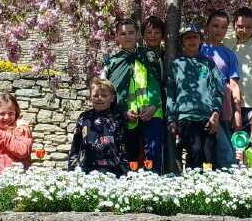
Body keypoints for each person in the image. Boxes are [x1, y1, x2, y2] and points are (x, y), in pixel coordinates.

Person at [103, 18, 164, 172]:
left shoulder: (150, 56)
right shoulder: (112, 63)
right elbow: (109, 92)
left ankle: (154, 184)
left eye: (131, 33)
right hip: (126, 117)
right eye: (123, 34)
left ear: (138, 35)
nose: (128, 36)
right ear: (117, 37)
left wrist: (153, 106)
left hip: (152, 112)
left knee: (153, 155)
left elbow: (159, 84)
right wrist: (123, 112)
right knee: (129, 157)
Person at [167, 25, 224, 171]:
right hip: (185, 118)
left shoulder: (208, 64)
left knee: (209, 156)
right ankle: (193, 183)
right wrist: (171, 119)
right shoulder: (176, 65)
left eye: (195, 37)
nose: (191, 40)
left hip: (207, 118)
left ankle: (209, 182)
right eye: (187, 37)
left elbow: (218, 89)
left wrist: (215, 113)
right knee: (195, 152)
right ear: (182, 42)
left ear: (200, 40)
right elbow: (171, 94)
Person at [201, 10, 242, 167]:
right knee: (206, 149)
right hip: (202, 104)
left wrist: (237, 112)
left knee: (225, 149)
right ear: (207, 27)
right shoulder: (199, 49)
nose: (219, 30)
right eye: (215, 26)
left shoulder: (229, 54)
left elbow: (234, 84)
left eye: (223, 27)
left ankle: (225, 175)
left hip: (224, 105)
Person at [67, 78, 129, 176]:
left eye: (104, 96)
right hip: (86, 169)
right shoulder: (84, 117)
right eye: (95, 95)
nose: (99, 98)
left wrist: (125, 171)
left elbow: (124, 146)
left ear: (112, 98)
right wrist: (71, 170)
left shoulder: (118, 117)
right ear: (90, 97)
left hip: (113, 170)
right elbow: (76, 145)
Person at [0, 91, 34, 173]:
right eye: (2, 114)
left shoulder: (21, 129)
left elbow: (23, 151)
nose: (7, 117)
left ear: (16, 113)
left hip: (16, 176)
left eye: (11, 113)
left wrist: (3, 135)